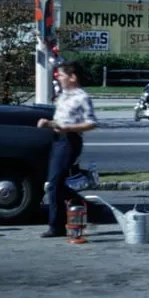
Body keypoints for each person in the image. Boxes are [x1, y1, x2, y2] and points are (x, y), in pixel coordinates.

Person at [37, 60, 98, 239]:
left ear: (72, 77)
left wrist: (68, 129)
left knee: (54, 184)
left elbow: (92, 123)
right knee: (55, 184)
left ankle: (56, 226)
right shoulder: (63, 96)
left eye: (61, 75)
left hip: (70, 142)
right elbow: (61, 121)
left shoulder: (82, 97)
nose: (59, 78)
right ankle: (87, 208)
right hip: (57, 140)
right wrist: (49, 123)